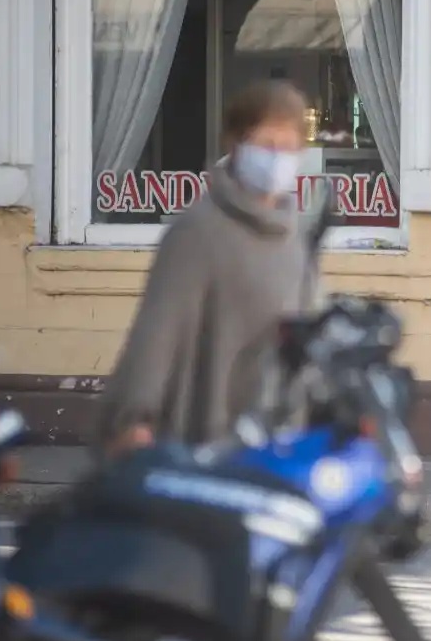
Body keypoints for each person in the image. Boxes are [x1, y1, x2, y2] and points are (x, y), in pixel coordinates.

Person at [93, 79, 321, 455]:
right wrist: (134, 418)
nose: (277, 158)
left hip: (276, 442)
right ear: (235, 144)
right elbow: (156, 336)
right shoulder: (199, 232)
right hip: (201, 443)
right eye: (267, 145)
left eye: (288, 147)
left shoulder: (294, 237)